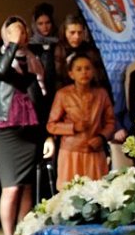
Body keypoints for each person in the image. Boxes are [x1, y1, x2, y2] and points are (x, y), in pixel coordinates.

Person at [0, 16, 44, 235]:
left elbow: (43, 92)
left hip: (30, 129)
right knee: (11, 187)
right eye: (12, 32)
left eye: (22, 31)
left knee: (25, 186)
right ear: (5, 35)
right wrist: (12, 45)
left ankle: (23, 234)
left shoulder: (34, 58)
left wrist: (47, 134)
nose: (19, 35)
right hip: (6, 130)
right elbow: (1, 72)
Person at [45, 49, 112, 188]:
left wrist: (101, 137)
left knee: (97, 192)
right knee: (70, 193)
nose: (84, 72)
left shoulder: (101, 94)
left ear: (93, 72)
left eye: (87, 68)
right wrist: (72, 127)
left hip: (95, 150)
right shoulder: (63, 94)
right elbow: (51, 125)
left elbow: (110, 122)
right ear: (71, 74)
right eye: (79, 69)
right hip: (70, 152)